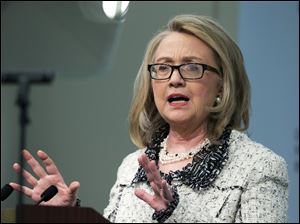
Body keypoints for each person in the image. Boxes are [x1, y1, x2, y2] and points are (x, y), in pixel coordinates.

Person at [8, 14, 288, 223]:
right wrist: (69, 214)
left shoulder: (260, 167)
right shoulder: (132, 166)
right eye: (163, 68)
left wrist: (174, 215)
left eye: (191, 67)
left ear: (222, 86)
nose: (175, 79)